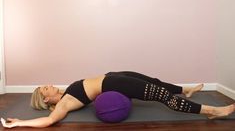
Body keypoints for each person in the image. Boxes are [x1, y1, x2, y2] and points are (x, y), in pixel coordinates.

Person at [1, 71, 235, 128]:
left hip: (112, 76)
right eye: (46, 88)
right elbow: (49, 121)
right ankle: (213, 111)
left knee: (152, 80)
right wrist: (19, 123)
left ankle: (186, 90)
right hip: (112, 84)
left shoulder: (64, 93)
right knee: (161, 96)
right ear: (47, 99)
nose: (49, 85)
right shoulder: (62, 104)